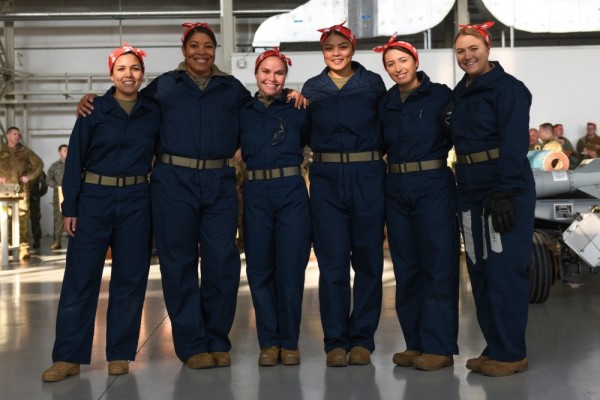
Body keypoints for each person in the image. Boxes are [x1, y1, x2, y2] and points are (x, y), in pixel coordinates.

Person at [76, 23, 304, 370]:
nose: (201, 51)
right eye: (194, 45)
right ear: (184, 50)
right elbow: (128, 101)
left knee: (221, 262)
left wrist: (293, 96)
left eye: (208, 46)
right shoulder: (164, 86)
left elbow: (264, 107)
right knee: (178, 262)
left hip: (219, 182)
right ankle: (192, 344)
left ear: (215, 50)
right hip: (172, 182)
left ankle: (217, 338)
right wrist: (94, 98)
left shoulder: (231, 89)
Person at [42, 43, 159, 382]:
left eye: (135, 68)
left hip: (137, 199)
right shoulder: (93, 110)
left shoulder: (153, 111)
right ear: (111, 73)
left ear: (142, 74)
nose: (129, 74)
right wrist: (71, 207)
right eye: (122, 68)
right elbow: (75, 159)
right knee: (80, 278)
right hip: (94, 199)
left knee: (130, 279)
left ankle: (120, 354)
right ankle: (67, 356)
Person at [451, 21, 535, 377]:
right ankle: (494, 346)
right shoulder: (460, 92)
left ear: (487, 49)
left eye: (474, 49)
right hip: (469, 188)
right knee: (480, 270)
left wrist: (505, 190)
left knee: (504, 271)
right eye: (460, 51)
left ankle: (512, 352)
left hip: (503, 188)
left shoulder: (509, 90)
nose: (467, 56)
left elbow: (516, 144)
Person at [301, 21, 386, 367]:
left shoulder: (373, 84)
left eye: (342, 47)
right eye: (328, 48)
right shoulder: (313, 88)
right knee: (333, 264)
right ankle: (335, 341)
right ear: (323, 52)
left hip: (368, 175)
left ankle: (363, 339)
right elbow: (301, 131)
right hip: (326, 178)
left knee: (368, 262)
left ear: (353, 49)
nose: (335, 54)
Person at [373, 35, 459, 371]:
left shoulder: (440, 96)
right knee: (406, 268)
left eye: (402, 61)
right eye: (390, 64)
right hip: (395, 185)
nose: (397, 68)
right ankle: (416, 343)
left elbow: (459, 134)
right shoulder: (386, 102)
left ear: (415, 61)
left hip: (433, 183)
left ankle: (439, 346)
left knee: (438, 265)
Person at [240, 49, 311, 366]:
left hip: (291, 192)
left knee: (291, 269)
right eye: (266, 72)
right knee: (259, 269)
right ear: (256, 74)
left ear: (286, 77)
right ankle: (269, 342)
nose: (272, 78)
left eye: (278, 73)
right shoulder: (242, 110)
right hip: (255, 192)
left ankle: (290, 342)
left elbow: (314, 141)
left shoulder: (298, 108)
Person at [0, 126, 44, 260]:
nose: (17, 136)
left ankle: (23, 247)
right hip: (4, 190)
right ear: (8, 136)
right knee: (3, 218)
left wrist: (29, 177)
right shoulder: (1, 150)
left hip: (21, 190)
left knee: (22, 217)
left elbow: (39, 164)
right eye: (14, 134)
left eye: (18, 134)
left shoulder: (25, 151)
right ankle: (4, 246)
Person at [46, 144, 68, 250]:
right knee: (58, 219)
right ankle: (57, 241)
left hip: (73, 194)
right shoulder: (54, 166)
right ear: (59, 152)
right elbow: (48, 179)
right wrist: (57, 186)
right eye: (64, 150)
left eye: (68, 150)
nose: (67, 152)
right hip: (59, 195)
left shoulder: (74, 164)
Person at [29, 170, 48, 249]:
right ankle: (36, 239)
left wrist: (38, 194)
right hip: (28, 196)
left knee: (35, 218)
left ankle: (36, 239)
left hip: (32, 196)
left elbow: (44, 184)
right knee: (35, 218)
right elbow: (44, 184)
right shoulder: (36, 168)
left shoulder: (37, 168)